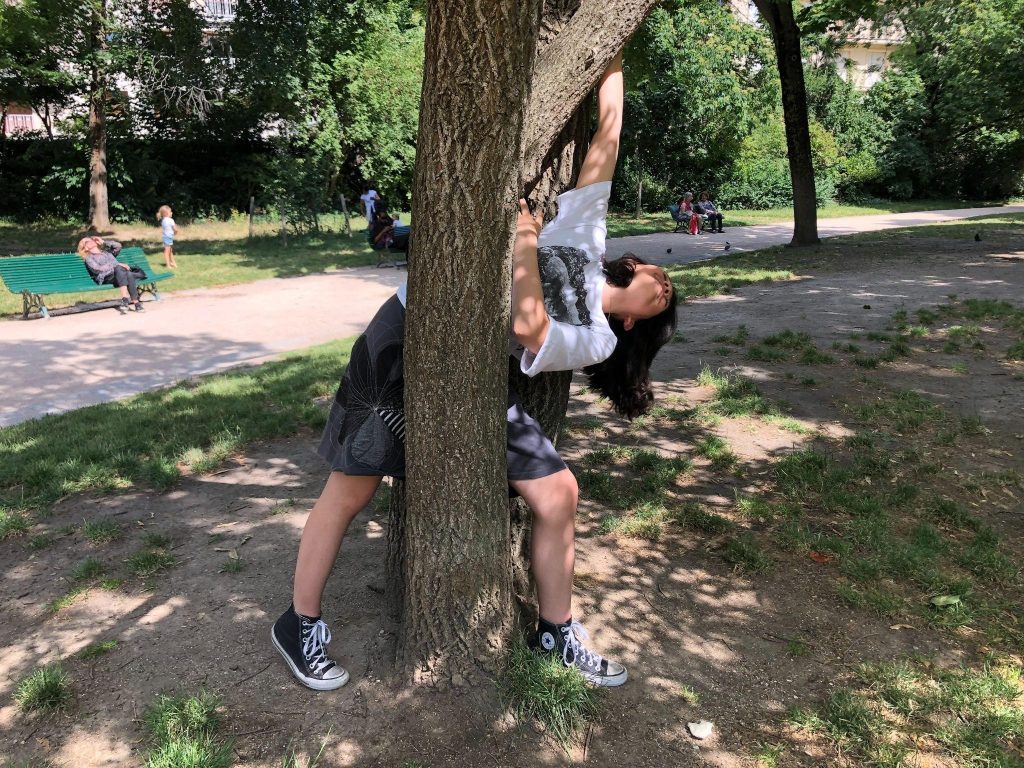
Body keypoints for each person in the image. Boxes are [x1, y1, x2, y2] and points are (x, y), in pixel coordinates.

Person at [270, 52, 677, 692]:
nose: (663, 283)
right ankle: (300, 622)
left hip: (472, 376)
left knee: (559, 491)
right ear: (636, 267)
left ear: (635, 325)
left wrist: (522, 241)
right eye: (663, 277)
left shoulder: (598, 338)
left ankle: (554, 633)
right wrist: (614, 58)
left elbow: (527, 328)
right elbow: (609, 135)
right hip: (409, 331)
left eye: (664, 302)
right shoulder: (585, 238)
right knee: (354, 487)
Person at [77, 236, 144, 313]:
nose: (90, 241)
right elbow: (97, 269)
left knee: (128, 274)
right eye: (86, 242)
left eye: (91, 240)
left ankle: (130, 302)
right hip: (106, 277)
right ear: (85, 248)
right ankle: (134, 303)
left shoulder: (107, 252)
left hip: (119, 275)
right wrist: (116, 265)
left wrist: (103, 242)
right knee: (120, 269)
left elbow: (118, 246)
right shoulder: (89, 258)